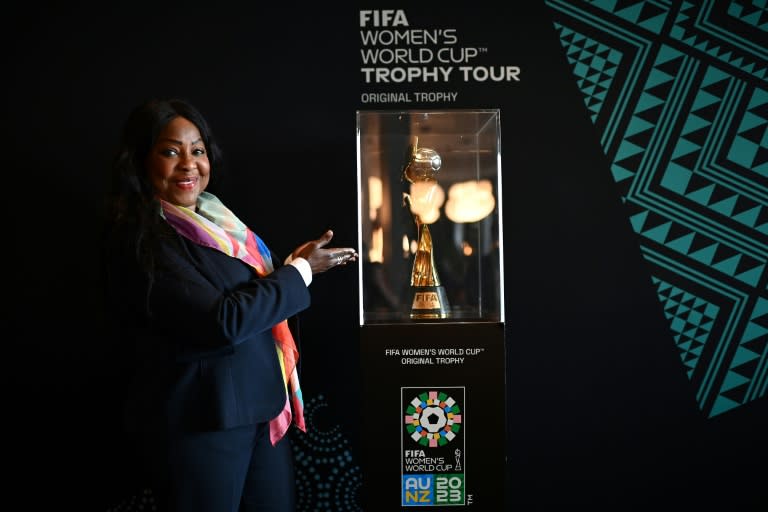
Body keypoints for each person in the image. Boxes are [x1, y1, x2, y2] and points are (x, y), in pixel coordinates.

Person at [100, 97, 357, 512]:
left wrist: (293, 266)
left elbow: (249, 298)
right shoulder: (142, 239)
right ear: (141, 160)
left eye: (197, 150)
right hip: (203, 423)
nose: (188, 163)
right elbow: (223, 320)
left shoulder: (219, 224)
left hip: (261, 412)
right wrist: (300, 272)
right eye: (170, 151)